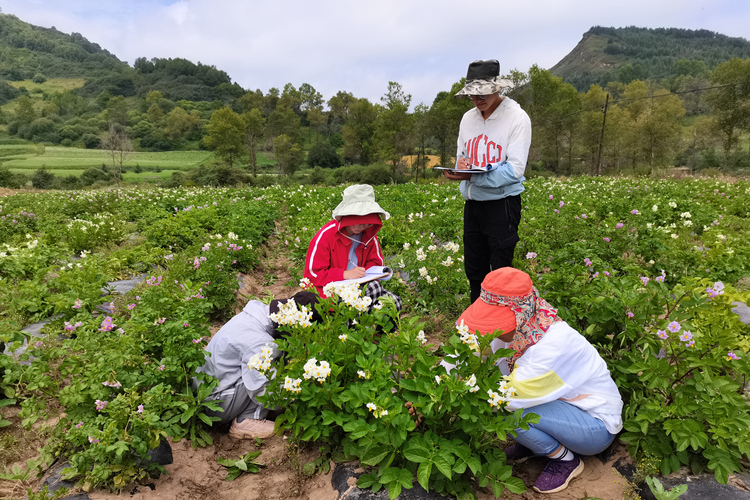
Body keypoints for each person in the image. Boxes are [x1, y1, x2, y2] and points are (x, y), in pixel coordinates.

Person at [454, 267, 623, 494]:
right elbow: (468, 355)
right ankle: (534, 444)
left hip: (594, 426)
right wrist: (439, 383)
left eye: (495, 322)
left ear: (520, 315)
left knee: (506, 411)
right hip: (562, 408)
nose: (491, 330)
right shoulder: (525, 326)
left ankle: (566, 460)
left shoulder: (552, 345)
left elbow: (508, 397)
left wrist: (453, 393)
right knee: (507, 406)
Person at [445, 59, 532, 303]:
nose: (476, 98)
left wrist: (475, 177)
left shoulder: (517, 118)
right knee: (475, 270)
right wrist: (459, 167)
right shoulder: (467, 119)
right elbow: (463, 156)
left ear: (498, 88)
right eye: (472, 94)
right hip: (473, 205)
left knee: (502, 270)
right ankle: (478, 325)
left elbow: (515, 169)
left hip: (502, 204)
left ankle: (502, 329)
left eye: (482, 92)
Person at [195, 291, 321, 440]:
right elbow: (261, 388)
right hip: (216, 405)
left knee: (270, 364)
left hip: (211, 387)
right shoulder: (259, 342)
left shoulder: (257, 316)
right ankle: (247, 420)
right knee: (267, 373)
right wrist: (297, 396)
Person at [304, 184, 401, 312]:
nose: (363, 227)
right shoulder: (326, 235)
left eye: (368, 223)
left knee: (394, 303)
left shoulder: (369, 236)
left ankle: (378, 331)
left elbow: (376, 262)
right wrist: (345, 274)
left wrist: (362, 274)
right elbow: (312, 275)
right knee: (369, 292)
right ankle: (352, 329)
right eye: (359, 222)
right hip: (330, 290)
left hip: (359, 285)